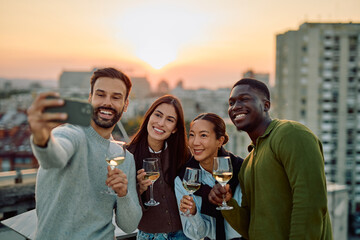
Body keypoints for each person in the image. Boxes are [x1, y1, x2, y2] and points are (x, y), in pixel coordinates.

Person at [209, 78, 333, 239]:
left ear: (266, 105)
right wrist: (226, 202)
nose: (235, 107)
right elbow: (250, 226)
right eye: (231, 103)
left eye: (244, 99)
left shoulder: (291, 133)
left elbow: (310, 203)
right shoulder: (248, 163)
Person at [27, 67, 142, 239]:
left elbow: (129, 225)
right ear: (90, 99)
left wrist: (123, 194)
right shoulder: (72, 134)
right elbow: (53, 158)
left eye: (116, 97)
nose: (107, 103)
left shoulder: (125, 158)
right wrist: (42, 138)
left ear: (125, 105)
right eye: (100, 95)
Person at [126, 95, 190, 240]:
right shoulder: (128, 154)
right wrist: (139, 188)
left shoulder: (183, 153)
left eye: (169, 120)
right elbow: (122, 205)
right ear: (149, 117)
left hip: (184, 234)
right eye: (158, 115)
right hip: (149, 236)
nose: (161, 123)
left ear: (174, 129)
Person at [175, 113, 244, 240]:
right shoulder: (184, 179)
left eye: (203, 135)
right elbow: (196, 235)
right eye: (192, 135)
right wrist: (193, 214)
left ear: (220, 141)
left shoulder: (241, 170)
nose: (195, 142)